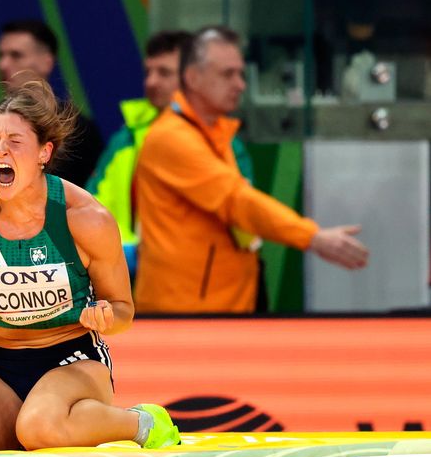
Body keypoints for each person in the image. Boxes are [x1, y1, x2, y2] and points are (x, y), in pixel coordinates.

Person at [0, 79, 179, 453]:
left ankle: (143, 423)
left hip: (71, 356)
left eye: (15, 142)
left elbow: (123, 311)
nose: (1, 151)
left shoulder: (85, 218)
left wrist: (105, 316)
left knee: (39, 427)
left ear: (44, 153)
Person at [135, 26, 369, 314]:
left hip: (218, 309)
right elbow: (236, 201)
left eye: (240, 74)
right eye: (227, 74)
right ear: (193, 78)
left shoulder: (214, 134)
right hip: (185, 315)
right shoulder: (173, 137)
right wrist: (312, 237)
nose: (241, 84)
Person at [87, 30, 192, 277]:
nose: (151, 82)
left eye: (164, 73)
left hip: (194, 287)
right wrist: (121, 256)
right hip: (125, 283)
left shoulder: (218, 140)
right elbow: (89, 209)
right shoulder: (124, 140)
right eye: (148, 72)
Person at [0, 20, 104, 189]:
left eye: (16, 55)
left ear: (47, 62)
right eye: (0, 55)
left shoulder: (82, 133)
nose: (2, 64)